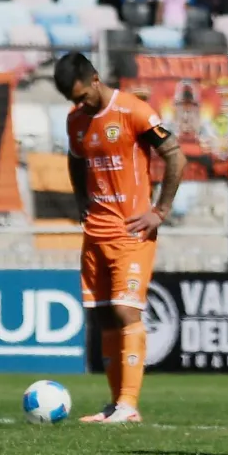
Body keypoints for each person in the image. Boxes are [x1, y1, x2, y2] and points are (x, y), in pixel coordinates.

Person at [55, 51, 186, 424]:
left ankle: (129, 405)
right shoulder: (76, 121)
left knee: (127, 311)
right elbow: (76, 158)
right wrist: (81, 198)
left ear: (95, 78)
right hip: (95, 233)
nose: (80, 105)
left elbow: (175, 157)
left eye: (82, 96)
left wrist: (159, 211)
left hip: (131, 232)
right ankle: (114, 404)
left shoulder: (133, 111)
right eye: (73, 101)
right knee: (102, 317)